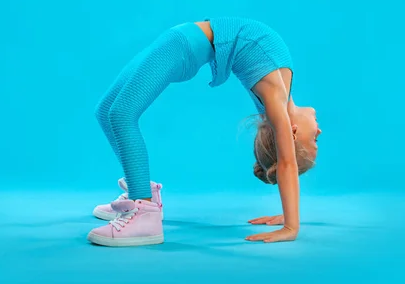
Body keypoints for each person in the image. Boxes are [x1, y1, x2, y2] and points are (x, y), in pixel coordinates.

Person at [87, 17, 321, 247]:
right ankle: (140, 189)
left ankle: (144, 215)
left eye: (314, 139)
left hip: (183, 47)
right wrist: (286, 215)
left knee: (121, 115)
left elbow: (287, 163)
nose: (319, 130)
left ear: (292, 133)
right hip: (180, 40)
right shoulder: (279, 92)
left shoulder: (275, 98)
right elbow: (285, 160)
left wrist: (291, 227)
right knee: (105, 110)